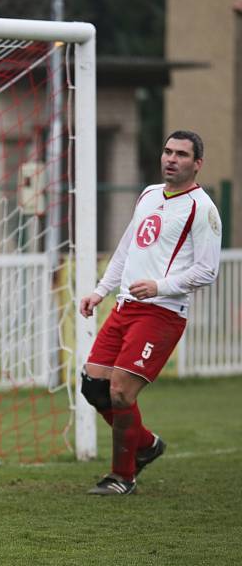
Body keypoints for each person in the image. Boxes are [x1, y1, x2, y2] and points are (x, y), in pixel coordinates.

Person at [79, 130, 221, 495]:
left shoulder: (202, 208)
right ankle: (145, 445)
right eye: (168, 151)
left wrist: (160, 286)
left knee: (121, 393)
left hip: (162, 312)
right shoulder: (149, 194)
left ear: (197, 164)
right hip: (126, 307)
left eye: (182, 154)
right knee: (94, 386)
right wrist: (100, 290)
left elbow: (208, 270)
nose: (171, 159)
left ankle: (122, 477)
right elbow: (128, 247)